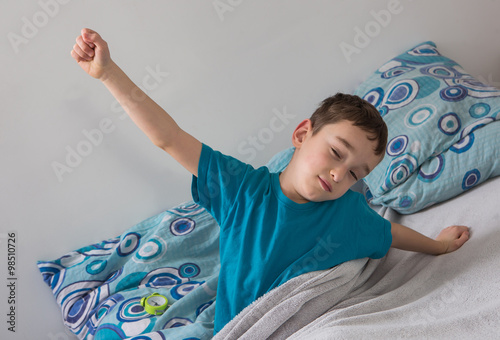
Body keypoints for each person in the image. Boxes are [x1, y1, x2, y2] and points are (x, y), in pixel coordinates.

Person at [70, 28, 470, 334]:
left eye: (355, 173)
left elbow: (390, 234)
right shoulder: (242, 189)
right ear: (301, 135)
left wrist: (439, 245)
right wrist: (108, 74)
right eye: (336, 152)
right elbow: (168, 138)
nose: (339, 173)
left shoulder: (349, 214)